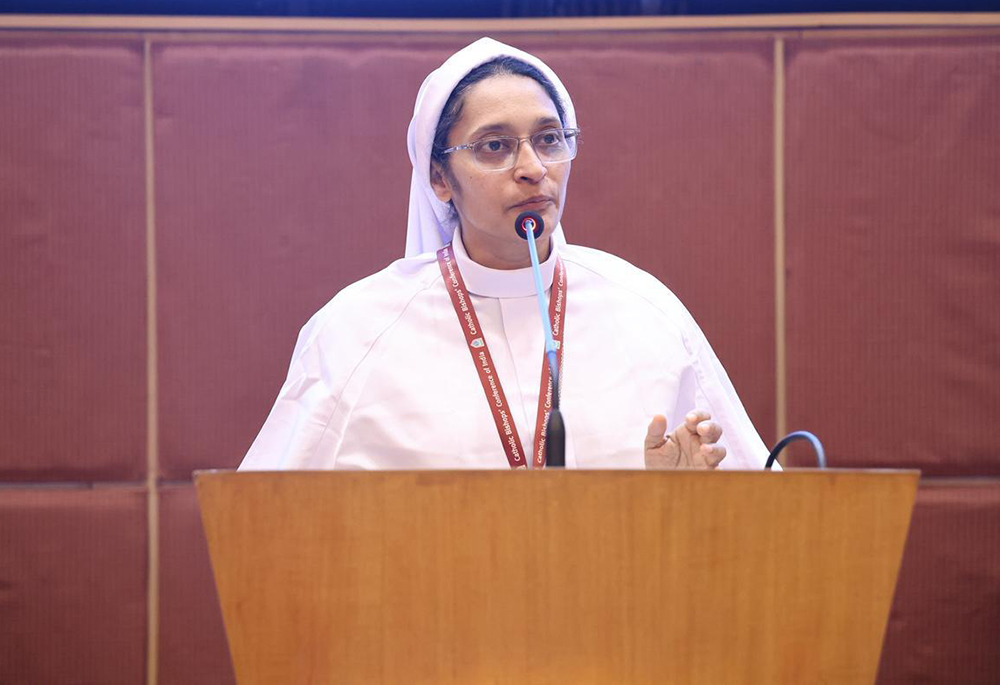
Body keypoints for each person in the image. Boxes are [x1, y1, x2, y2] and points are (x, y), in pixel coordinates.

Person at [239, 37, 770, 471]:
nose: (533, 167)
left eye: (549, 139)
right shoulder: (355, 331)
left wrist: (679, 503)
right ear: (439, 178)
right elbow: (269, 522)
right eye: (495, 145)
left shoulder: (646, 312)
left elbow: (758, 509)